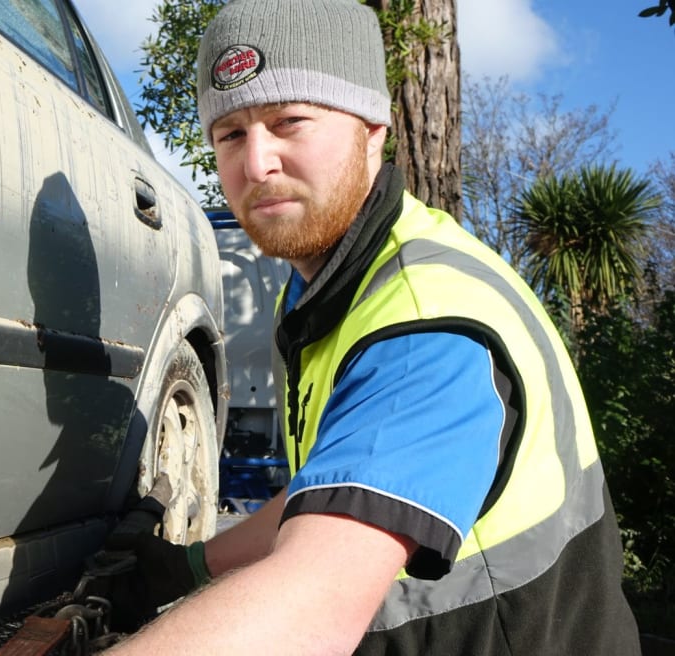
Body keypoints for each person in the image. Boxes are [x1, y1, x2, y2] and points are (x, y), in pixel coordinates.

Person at [98, 0, 642, 653]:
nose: (257, 162)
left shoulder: (423, 324)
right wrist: (187, 567)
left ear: (374, 130)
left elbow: (308, 610)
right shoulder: (327, 292)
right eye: (231, 134)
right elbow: (333, 491)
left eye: (290, 121)